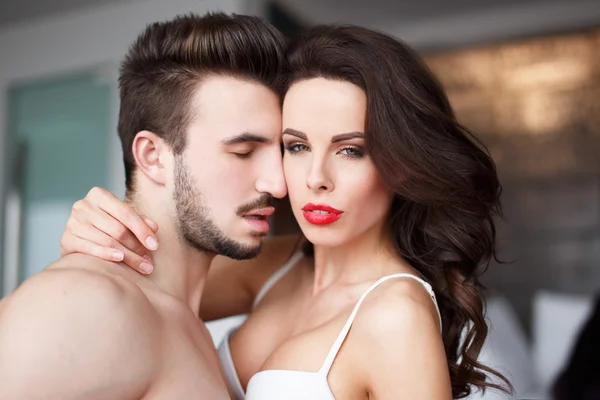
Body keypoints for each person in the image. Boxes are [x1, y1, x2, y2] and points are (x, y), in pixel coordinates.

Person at [59, 25, 512, 399]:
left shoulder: (396, 316)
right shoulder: (277, 264)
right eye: (296, 146)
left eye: (350, 150)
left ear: (401, 162)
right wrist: (98, 235)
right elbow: (131, 300)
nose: (316, 177)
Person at [0, 12, 287, 399]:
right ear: (153, 156)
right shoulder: (85, 306)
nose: (278, 184)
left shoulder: (186, 322)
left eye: (283, 151)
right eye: (243, 152)